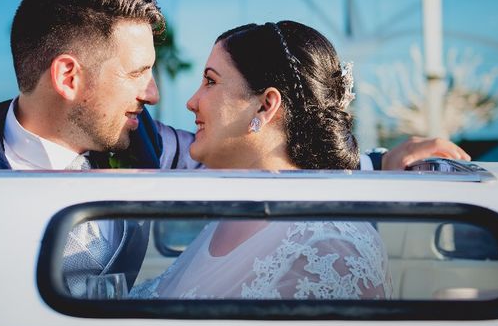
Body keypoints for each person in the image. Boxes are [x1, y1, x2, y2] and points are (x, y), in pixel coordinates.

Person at [0, 0, 467, 295]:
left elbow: (264, 154)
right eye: (138, 73)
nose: (155, 94)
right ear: (69, 76)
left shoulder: (141, 143)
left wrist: (383, 164)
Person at [130, 21, 393, 299]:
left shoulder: (329, 249)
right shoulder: (232, 217)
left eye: (210, 81)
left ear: (265, 105)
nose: (192, 102)